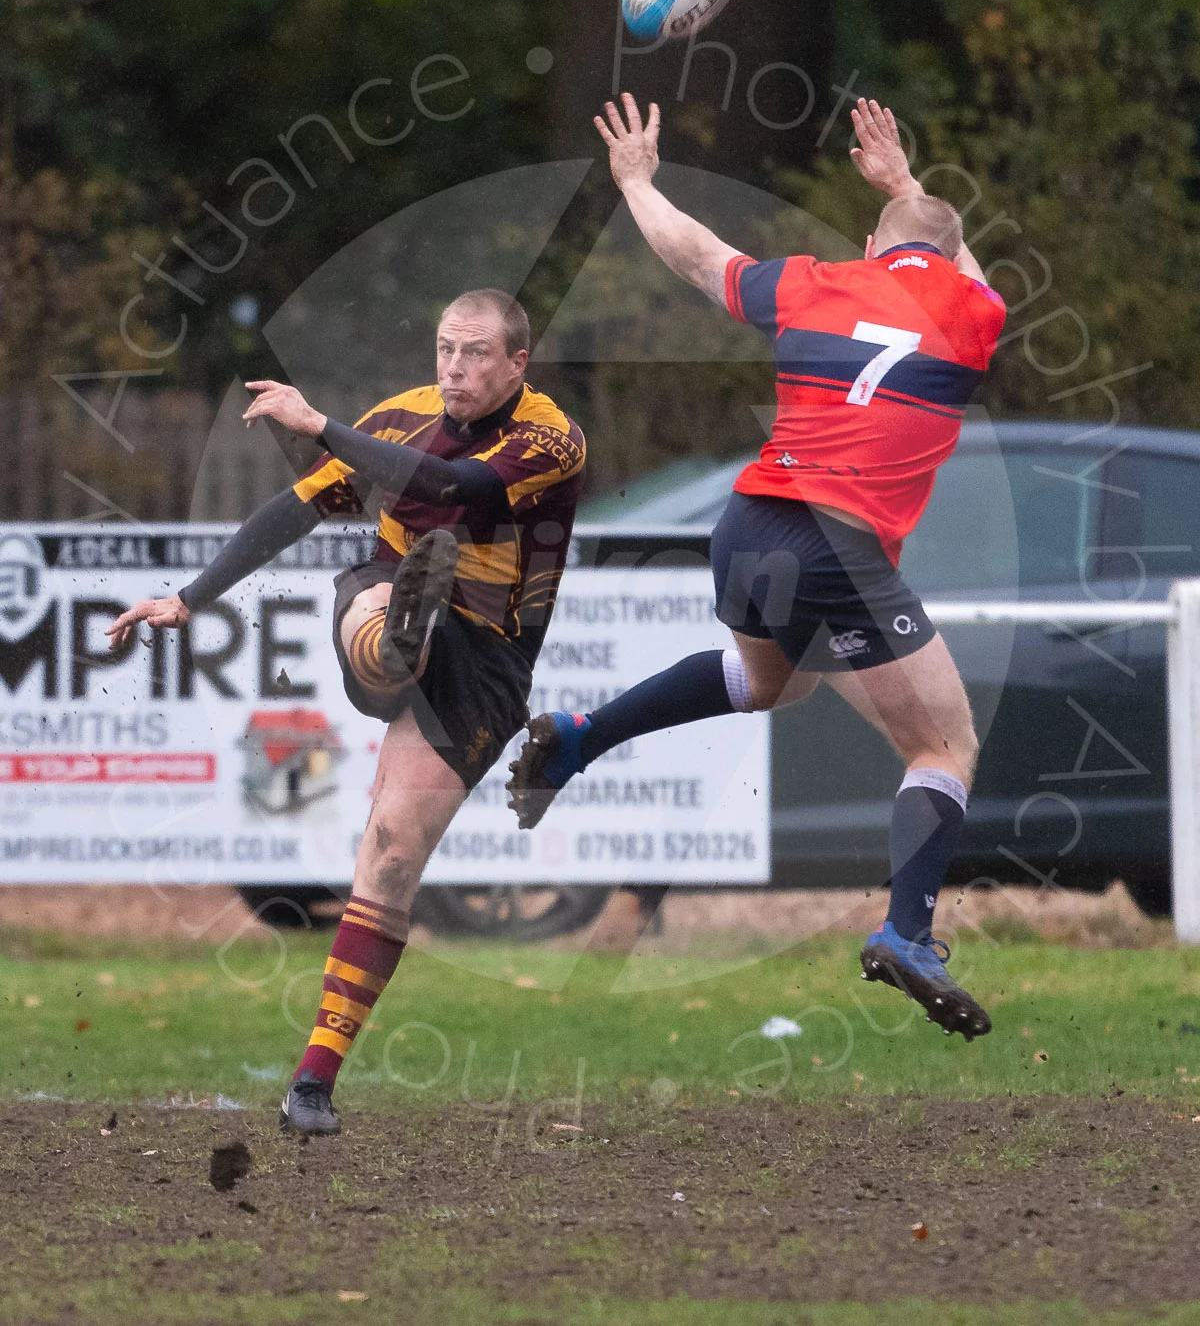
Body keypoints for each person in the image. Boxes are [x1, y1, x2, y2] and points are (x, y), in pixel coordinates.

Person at [508, 95, 1006, 1041]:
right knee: (945, 748)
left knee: (776, 684)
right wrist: (907, 183)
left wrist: (636, 183)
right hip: (837, 543)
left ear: (870, 244)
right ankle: (907, 932)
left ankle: (580, 738)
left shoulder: (816, 283)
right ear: (946, 260)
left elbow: (699, 255)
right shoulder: (971, 313)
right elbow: (957, 265)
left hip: (745, 525)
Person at [106, 289, 586, 1131]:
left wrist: (320, 422)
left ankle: (313, 1083)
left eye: (476, 353)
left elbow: (453, 484)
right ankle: (399, 637)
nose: (454, 368)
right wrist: (189, 597)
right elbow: (299, 508)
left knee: (394, 857)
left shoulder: (551, 438)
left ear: (518, 363)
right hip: (388, 594)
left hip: (492, 662)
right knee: (379, 621)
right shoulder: (399, 416)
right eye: (444, 348)